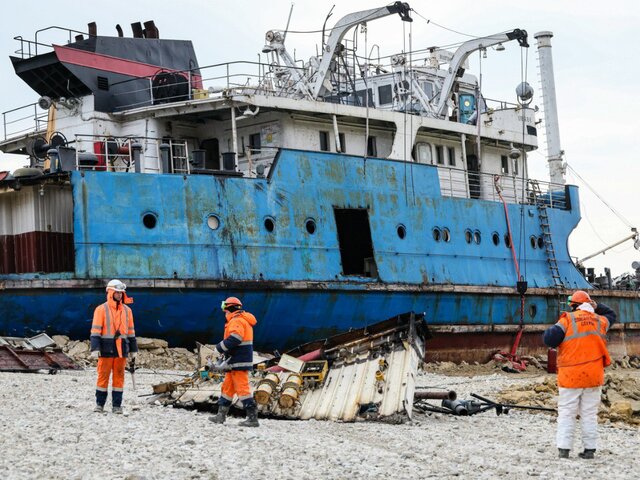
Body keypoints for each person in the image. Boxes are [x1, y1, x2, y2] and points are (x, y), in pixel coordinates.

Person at [543, 290, 616, 459]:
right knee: (589, 413)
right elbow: (611, 313)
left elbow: (549, 339)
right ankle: (589, 450)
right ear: (590, 305)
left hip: (571, 376)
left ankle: (564, 449)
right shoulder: (601, 321)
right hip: (593, 376)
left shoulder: (567, 319)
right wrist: (596, 306)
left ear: (573, 306)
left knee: (567, 412)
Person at [209, 296, 259, 427]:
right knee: (227, 388)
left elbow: (235, 338)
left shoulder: (236, 321)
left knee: (242, 388)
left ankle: (252, 418)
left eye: (225, 310)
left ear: (230, 308)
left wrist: (219, 348)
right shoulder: (242, 320)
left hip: (238, 361)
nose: (225, 313)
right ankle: (221, 415)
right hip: (235, 361)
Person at [90, 279, 138, 414]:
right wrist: (95, 348)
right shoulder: (101, 309)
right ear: (110, 292)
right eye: (117, 292)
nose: (119, 295)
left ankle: (117, 406)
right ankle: (100, 404)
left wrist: (134, 349)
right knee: (103, 376)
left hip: (122, 349)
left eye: (121, 293)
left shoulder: (127, 311)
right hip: (105, 349)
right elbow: (95, 331)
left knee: (119, 376)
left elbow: (131, 331)